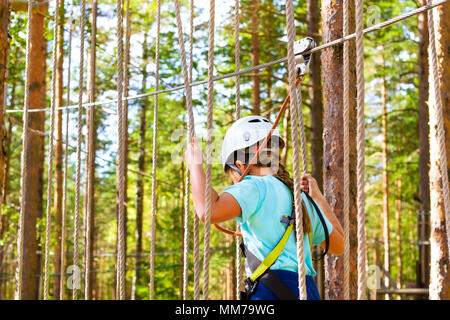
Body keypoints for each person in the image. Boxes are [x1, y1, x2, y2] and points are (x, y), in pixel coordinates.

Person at [185, 115, 344, 300]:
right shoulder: (300, 197)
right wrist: (317, 197)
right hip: (307, 291)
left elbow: (207, 210)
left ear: (239, 165)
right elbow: (339, 245)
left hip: (270, 292)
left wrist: (195, 165)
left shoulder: (253, 186)